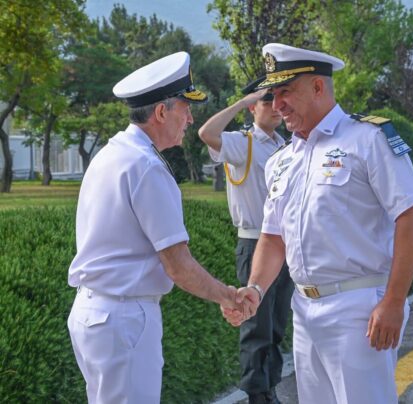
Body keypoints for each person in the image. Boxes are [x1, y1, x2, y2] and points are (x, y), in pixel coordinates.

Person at [223, 43, 413, 403]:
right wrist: (255, 289)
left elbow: (412, 217)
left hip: (359, 308)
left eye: (286, 92)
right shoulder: (282, 159)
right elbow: (273, 238)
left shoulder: (368, 139)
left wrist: (394, 301)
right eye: (273, 95)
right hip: (304, 310)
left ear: (318, 87)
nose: (277, 104)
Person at [67, 51, 246, 404]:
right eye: (186, 108)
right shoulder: (146, 166)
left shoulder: (111, 154)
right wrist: (228, 296)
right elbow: (178, 265)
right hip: (124, 319)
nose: (190, 119)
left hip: (93, 314)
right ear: (162, 112)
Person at [198, 80, 294, 404]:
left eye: (278, 99)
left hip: (284, 246)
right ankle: (257, 395)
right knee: (256, 328)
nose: (276, 106)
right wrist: (242, 102)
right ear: (253, 107)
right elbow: (207, 133)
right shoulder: (244, 143)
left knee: (276, 327)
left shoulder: (285, 145)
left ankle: (270, 390)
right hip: (255, 245)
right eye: (267, 100)